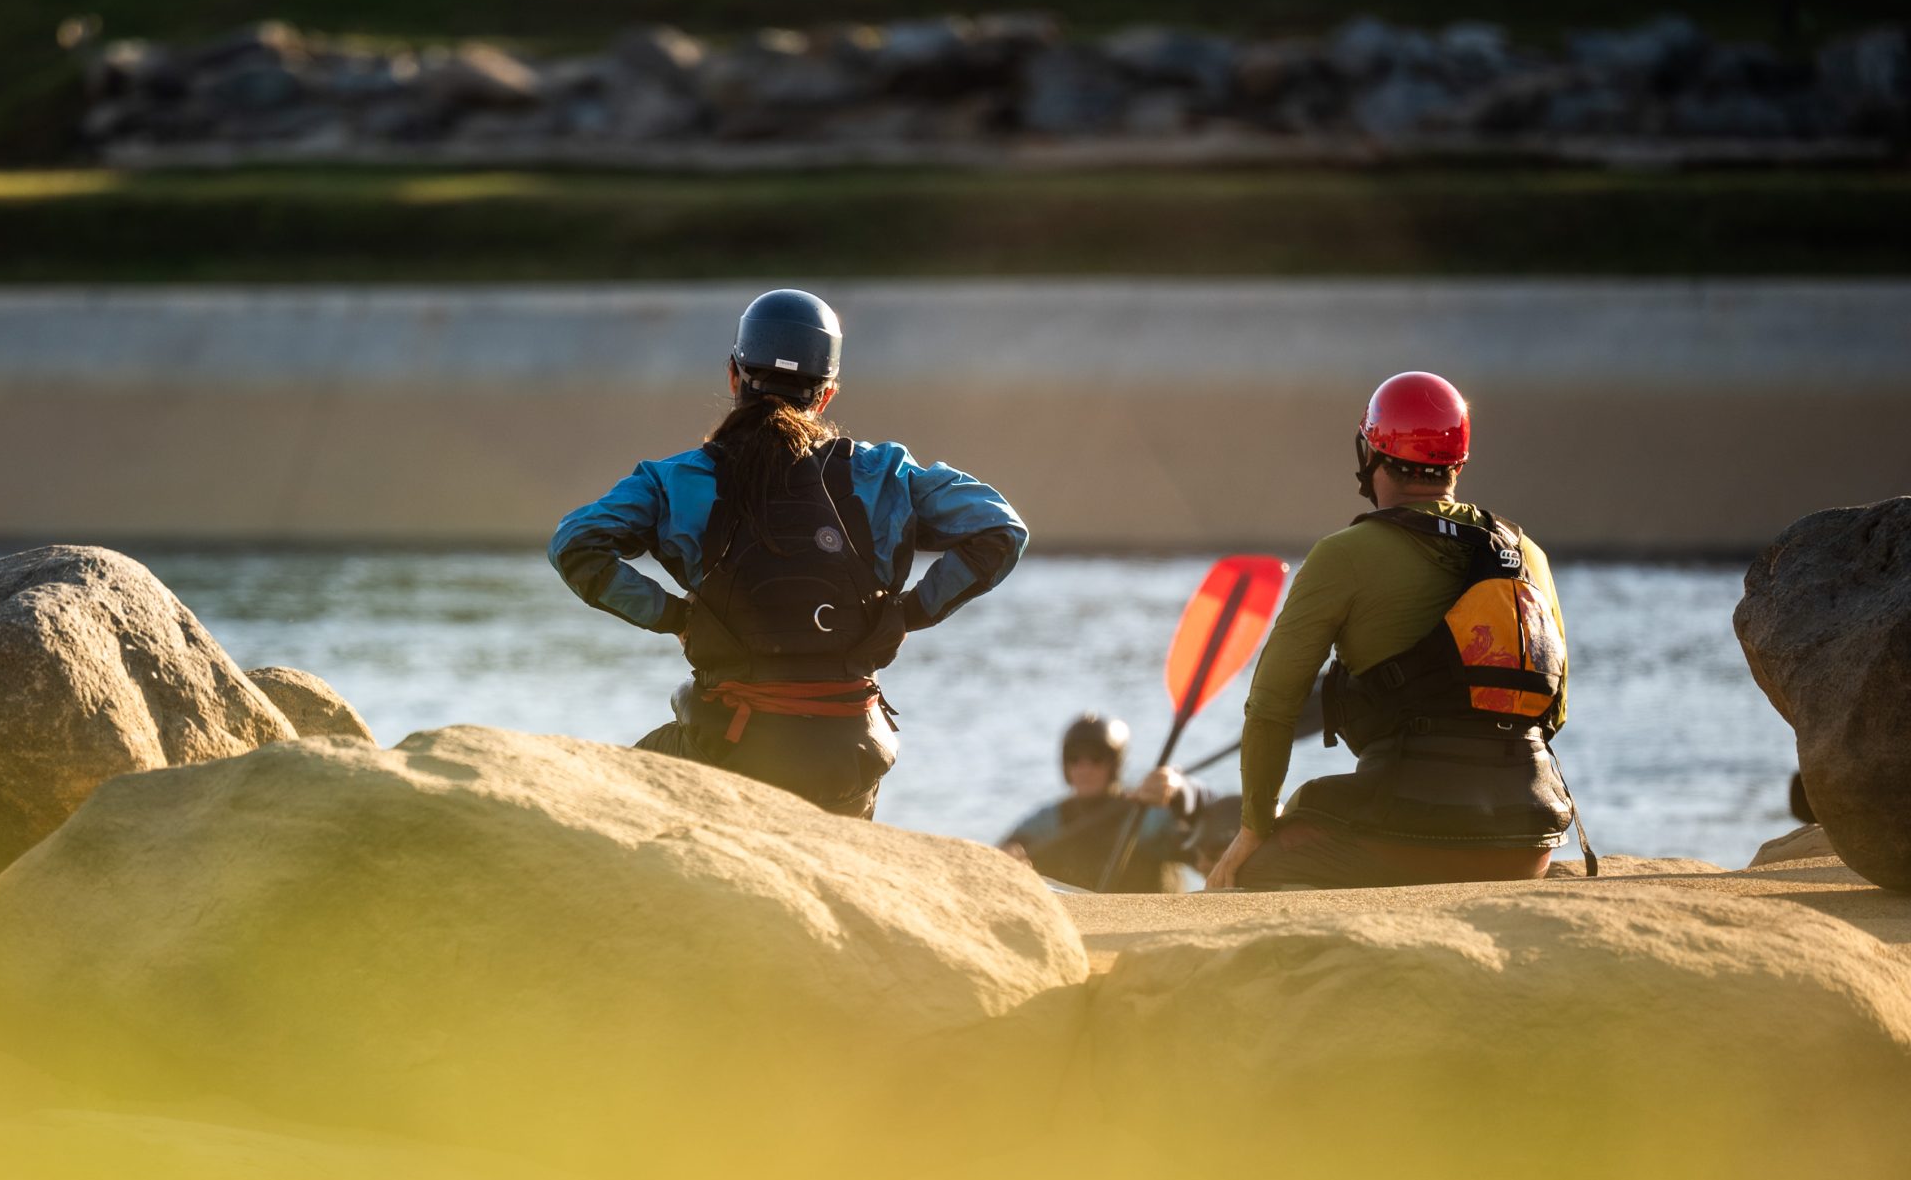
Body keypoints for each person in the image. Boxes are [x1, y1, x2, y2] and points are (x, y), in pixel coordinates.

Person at [549, 288, 1027, 819]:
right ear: (826, 395)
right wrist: (909, 612)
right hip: (850, 758)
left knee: (612, 796)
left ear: (734, 375)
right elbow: (1000, 529)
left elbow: (576, 543)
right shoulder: (885, 472)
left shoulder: (674, 479)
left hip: (730, 747)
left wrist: (673, 617)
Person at [1207, 371, 1588, 891]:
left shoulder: (1342, 556)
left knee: (1264, 865)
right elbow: (1555, 710)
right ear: (1458, 462)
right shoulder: (1528, 554)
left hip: (1408, 830)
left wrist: (1253, 829)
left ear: (1371, 453)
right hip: (1530, 838)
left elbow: (1272, 706)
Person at [1000, 713, 1217, 892]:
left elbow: (1203, 835)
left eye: (1096, 759)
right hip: (1079, 923)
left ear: (1114, 765)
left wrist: (1181, 794)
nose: (1085, 769)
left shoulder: (1147, 815)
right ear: (1066, 766)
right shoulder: (1048, 820)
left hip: (1149, 921)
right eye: (1075, 759)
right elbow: (1004, 851)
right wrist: (1009, 857)